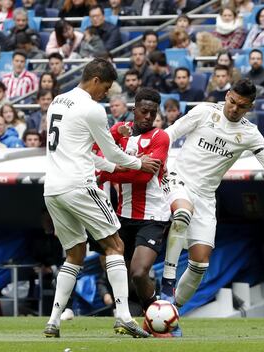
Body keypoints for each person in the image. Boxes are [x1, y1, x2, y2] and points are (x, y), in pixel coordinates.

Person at [160, 79, 264, 336]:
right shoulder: (204, 112)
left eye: (241, 106)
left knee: (200, 265)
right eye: (232, 102)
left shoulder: (250, 134)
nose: (234, 109)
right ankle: (166, 287)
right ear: (227, 95)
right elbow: (169, 134)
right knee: (182, 214)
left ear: (250, 107)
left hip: (205, 197)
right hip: (178, 180)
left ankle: (169, 314)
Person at [43, 58, 161, 339]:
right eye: (106, 88)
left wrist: (114, 166)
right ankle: (123, 316)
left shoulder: (57, 101)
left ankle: (53, 321)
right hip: (79, 187)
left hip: (53, 189)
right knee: (116, 245)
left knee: (75, 254)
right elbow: (112, 153)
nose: (106, 94)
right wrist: (137, 163)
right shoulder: (92, 108)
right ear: (95, 80)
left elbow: (85, 151)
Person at [98, 88, 171, 326]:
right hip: (122, 215)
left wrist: (110, 173)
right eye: (144, 111)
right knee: (113, 266)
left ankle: (157, 315)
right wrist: (114, 131)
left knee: (139, 272)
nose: (148, 116)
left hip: (153, 215)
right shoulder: (121, 134)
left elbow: (143, 177)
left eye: (153, 112)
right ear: (134, 110)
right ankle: (128, 316)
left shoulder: (160, 137)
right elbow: (97, 151)